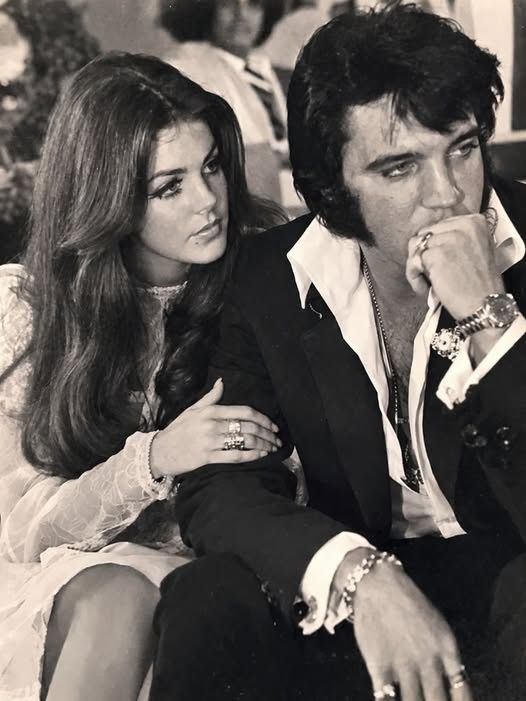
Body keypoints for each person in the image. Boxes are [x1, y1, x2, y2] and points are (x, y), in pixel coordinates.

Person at [150, 4, 526, 701]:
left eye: (462, 148)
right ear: (332, 190)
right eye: (399, 167)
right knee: (209, 594)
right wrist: (358, 574)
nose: (447, 196)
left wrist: (489, 317)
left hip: (514, 588)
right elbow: (220, 487)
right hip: (364, 593)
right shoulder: (266, 280)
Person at [0, 51, 283, 701]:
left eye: (212, 166)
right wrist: (153, 459)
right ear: (108, 198)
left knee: (188, 606)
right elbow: (22, 528)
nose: (208, 202)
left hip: (216, 582)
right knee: (121, 598)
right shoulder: (27, 307)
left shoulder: (264, 275)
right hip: (65, 579)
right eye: (169, 186)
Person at [158, 0, 289, 205]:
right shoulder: (186, 66)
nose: (241, 14)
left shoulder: (262, 69)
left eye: (253, 4)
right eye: (228, 3)